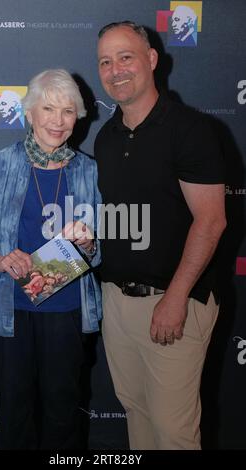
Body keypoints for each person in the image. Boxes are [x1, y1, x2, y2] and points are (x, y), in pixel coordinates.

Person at [95, 21, 226, 450]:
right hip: (117, 303)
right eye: (105, 62)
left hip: (174, 303)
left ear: (151, 60)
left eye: (125, 57)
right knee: (137, 415)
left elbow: (210, 222)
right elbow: (122, 217)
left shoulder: (189, 129)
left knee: (173, 432)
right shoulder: (105, 138)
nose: (115, 70)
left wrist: (175, 297)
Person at [0, 69, 102, 450]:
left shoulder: (89, 171)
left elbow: (98, 247)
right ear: (30, 113)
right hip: (11, 311)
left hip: (67, 310)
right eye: (49, 108)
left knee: (62, 415)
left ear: (79, 116)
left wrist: (87, 243)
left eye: (68, 111)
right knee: (15, 415)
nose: (58, 120)